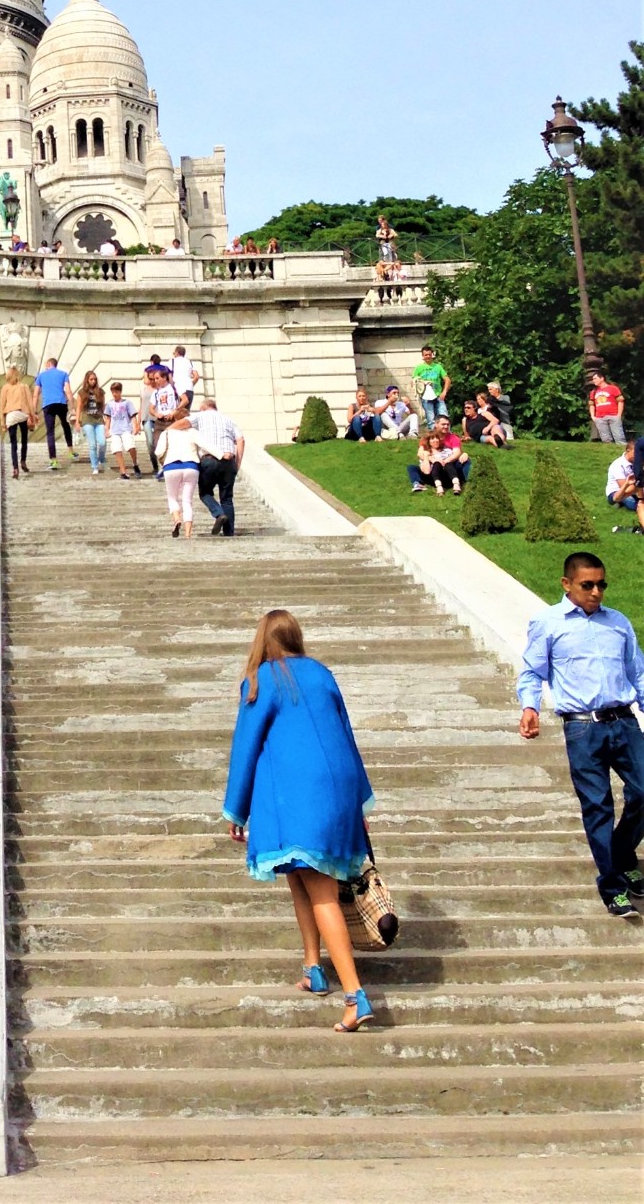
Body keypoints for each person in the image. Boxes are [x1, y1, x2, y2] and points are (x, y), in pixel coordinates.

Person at [222, 610, 376, 1031]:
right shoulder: (322, 674)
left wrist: (235, 809)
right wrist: (359, 802)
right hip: (338, 787)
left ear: (262, 641)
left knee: (322, 892)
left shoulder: (260, 680)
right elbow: (346, 734)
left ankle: (355, 995)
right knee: (299, 875)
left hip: (297, 795)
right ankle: (313, 967)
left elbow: (245, 745)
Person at [518, 553, 644, 916]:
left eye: (602, 584)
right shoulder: (547, 623)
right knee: (598, 806)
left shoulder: (618, 622)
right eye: (587, 585)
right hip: (582, 728)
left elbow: (637, 672)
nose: (596, 592)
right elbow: (532, 672)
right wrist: (529, 707)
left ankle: (621, 852)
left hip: (624, 722)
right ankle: (613, 886)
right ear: (567, 584)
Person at [192, 398, 245, 536]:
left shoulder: (199, 416)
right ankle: (229, 532)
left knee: (205, 493)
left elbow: (184, 423)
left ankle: (219, 514)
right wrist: (238, 463)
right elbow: (240, 440)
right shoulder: (228, 420)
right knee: (227, 498)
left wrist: (169, 428)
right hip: (229, 461)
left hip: (209, 460)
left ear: (203, 408)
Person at [156, 411, 203, 536]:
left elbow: (158, 452)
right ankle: (188, 533)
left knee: (172, 498)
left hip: (171, 467)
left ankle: (177, 519)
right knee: (187, 501)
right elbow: (202, 449)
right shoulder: (193, 432)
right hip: (191, 466)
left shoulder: (166, 433)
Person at [33, 358, 74, 468]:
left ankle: (54, 460)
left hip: (48, 404)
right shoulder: (63, 374)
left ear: (48, 364)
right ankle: (71, 451)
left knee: (50, 432)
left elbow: (35, 395)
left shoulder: (41, 376)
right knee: (66, 426)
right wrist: (72, 407)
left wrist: (34, 411)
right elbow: (68, 391)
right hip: (61, 402)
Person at [0, 366, 35, 480]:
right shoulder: (24, 386)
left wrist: (2, 422)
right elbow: (30, 403)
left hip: (11, 416)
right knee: (24, 439)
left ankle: (15, 468)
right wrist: (32, 417)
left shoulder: (5, 388)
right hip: (22, 414)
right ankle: (23, 460)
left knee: (13, 443)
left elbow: (1, 406)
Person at [105, 382, 142, 480]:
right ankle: (123, 471)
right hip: (115, 430)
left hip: (125, 428)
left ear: (120, 392)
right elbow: (108, 418)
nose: (114, 394)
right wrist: (107, 429)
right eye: (113, 392)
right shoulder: (109, 404)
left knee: (130, 447)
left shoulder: (127, 403)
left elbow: (133, 416)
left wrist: (135, 427)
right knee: (117, 449)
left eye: (116, 392)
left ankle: (135, 463)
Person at [74, 371, 108, 475]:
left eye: (95, 379)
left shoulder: (100, 392)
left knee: (102, 442)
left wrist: (106, 419)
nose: (93, 381)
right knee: (92, 445)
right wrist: (77, 421)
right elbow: (79, 408)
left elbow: (103, 407)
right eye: (91, 379)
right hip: (87, 420)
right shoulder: (81, 393)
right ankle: (95, 466)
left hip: (99, 419)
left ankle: (101, 459)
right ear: (87, 380)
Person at [412, 346, 449, 431]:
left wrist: (444, 392)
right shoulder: (419, 368)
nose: (428, 356)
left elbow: (447, 380)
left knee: (443, 415)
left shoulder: (438, 367)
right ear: (423, 356)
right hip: (426, 397)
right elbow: (413, 382)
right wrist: (422, 383)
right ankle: (433, 435)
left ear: (432, 355)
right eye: (426, 355)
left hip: (438, 395)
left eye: (429, 354)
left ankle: (446, 434)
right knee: (430, 418)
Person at [589, 375, 626, 445]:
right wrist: (593, 416)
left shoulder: (613, 388)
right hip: (599, 417)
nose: (593, 381)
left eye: (595, 378)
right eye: (593, 379)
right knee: (605, 439)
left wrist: (619, 414)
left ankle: (623, 450)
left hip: (613, 415)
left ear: (602, 378)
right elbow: (591, 405)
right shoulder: (593, 392)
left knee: (619, 437)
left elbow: (620, 401)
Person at [605, 447, 639, 516]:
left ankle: (620, 503)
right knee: (638, 505)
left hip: (633, 490)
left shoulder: (637, 462)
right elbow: (626, 489)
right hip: (617, 492)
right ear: (628, 451)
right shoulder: (617, 465)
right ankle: (619, 502)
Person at [171, 344, 201, 409]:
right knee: (186, 412)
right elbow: (196, 376)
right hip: (189, 389)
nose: (173, 354)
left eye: (174, 353)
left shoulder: (171, 362)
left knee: (177, 413)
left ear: (177, 352)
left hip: (178, 389)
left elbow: (167, 375)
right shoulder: (189, 362)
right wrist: (191, 384)